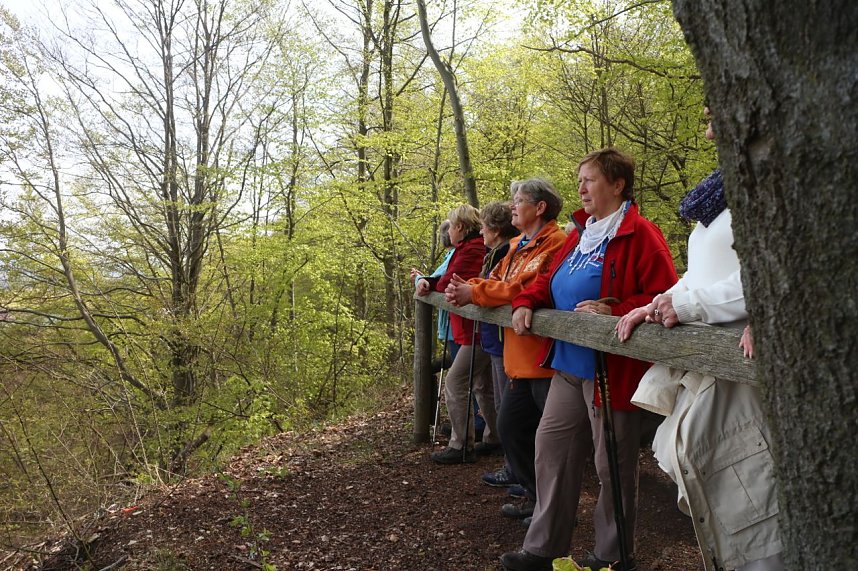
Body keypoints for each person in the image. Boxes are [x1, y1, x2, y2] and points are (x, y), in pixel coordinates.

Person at [617, 109, 784, 571]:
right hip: (717, 361)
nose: (707, 129)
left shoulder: (775, 181)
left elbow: (772, 273)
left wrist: (689, 308)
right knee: (718, 473)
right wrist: (658, 302)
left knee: (752, 485)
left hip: (748, 373)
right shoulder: (719, 195)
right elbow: (699, 274)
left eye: (717, 115)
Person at [500, 149, 678, 571]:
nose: (580, 188)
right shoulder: (582, 235)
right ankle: (542, 548)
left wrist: (613, 309)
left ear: (617, 184)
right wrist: (526, 300)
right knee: (551, 450)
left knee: (610, 465)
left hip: (612, 373)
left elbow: (665, 296)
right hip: (568, 364)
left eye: (590, 180)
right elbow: (548, 280)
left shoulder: (641, 234)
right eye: (579, 180)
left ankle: (612, 556)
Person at [446, 179, 567, 516]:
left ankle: (550, 510)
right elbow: (496, 279)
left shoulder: (555, 243)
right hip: (518, 359)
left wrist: (475, 293)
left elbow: (519, 288)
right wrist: (469, 286)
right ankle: (535, 495)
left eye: (520, 200)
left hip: (544, 358)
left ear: (539, 207)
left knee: (545, 440)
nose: (513, 206)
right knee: (511, 428)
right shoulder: (516, 245)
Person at [417, 204, 498, 463]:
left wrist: (432, 283)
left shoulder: (472, 250)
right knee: (482, 384)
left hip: (477, 331)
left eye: (450, 226)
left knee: (455, 381)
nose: (448, 231)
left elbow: (446, 282)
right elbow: (441, 279)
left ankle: (461, 444)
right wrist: (425, 281)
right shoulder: (466, 248)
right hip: (470, 330)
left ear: (460, 227)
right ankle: (493, 436)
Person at [469, 200, 520, 458]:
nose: (480, 233)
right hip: (495, 339)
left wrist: (474, 291)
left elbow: (501, 289)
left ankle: (515, 469)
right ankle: (511, 466)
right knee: (502, 405)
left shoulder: (505, 252)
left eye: (484, 227)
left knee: (507, 408)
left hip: (503, 340)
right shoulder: (497, 253)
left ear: (496, 229)